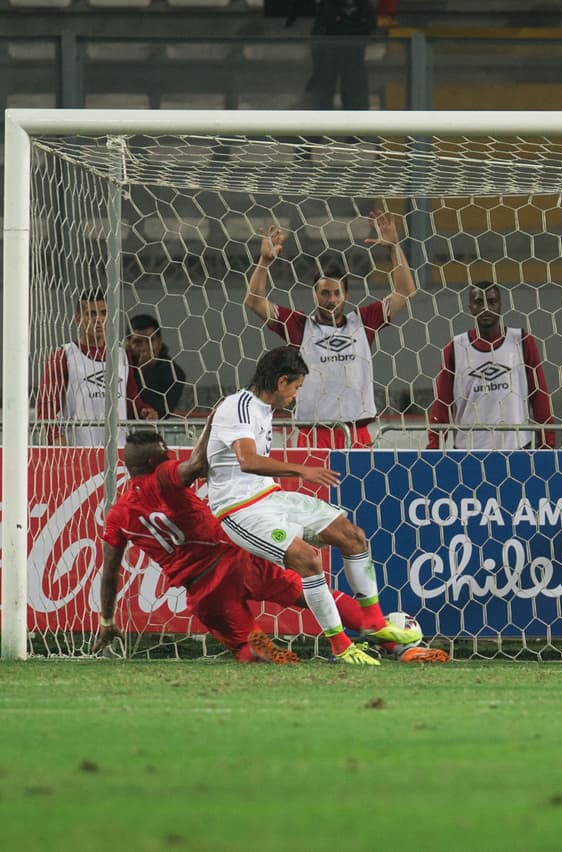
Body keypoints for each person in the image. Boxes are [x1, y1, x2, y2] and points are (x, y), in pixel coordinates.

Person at [96, 430, 445, 664]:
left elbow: (110, 572)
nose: (169, 457)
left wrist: (107, 618)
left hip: (205, 590)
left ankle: (262, 649)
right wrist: (214, 425)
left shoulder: (117, 516)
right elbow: (196, 465)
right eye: (164, 455)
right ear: (149, 465)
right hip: (237, 560)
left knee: (251, 650)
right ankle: (397, 646)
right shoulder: (164, 476)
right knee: (314, 594)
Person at [205, 346, 422, 665]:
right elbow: (247, 461)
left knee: (352, 536)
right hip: (239, 509)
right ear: (281, 382)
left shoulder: (261, 408)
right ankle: (341, 645)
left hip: (270, 497)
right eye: (296, 388)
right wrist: (301, 470)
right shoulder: (237, 407)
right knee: (308, 559)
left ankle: (375, 624)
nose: (295, 396)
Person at [244, 208, 417, 448]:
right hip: (313, 434)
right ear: (315, 295)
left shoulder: (363, 322)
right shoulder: (299, 326)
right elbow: (253, 300)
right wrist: (264, 261)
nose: (332, 299)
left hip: (357, 431)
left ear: (346, 294)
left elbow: (405, 291)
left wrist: (394, 248)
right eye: (324, 293)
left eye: (337, 293)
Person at [427, 283, 556, 450]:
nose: (486, 307)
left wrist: (548, 444)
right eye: (479, 302)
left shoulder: (521, 341)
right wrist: (433, 449)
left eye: (492, 301)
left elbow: (539, 396)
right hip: (468, 452)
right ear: (470, 308)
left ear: (500, 305)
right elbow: (442, 404)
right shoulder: (455, 347)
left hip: (516, 449)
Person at [37, 289, 156, 446]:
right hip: (77, 449)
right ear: (78, 318)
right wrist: (55, 436)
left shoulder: (122, 355)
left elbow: (130, 400)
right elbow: (46, 403)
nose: (98, 319)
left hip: (117, 448)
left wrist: (144, 411)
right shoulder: (64, 355)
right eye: (92, 314)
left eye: (104, 313)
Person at [300, 0, 399, 111]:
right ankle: (319, 118)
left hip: (351, 39)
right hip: (329, 38)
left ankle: (352, 118)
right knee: (325, 84)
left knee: (352, 85)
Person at [127, 313, 189, 419]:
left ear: (159, 342)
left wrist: (144, 370)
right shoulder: (120, 367)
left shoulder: (175, 374)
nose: (145, 347)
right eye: (138, 342)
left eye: (150, 340)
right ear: (128, 345)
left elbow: (162, 412)